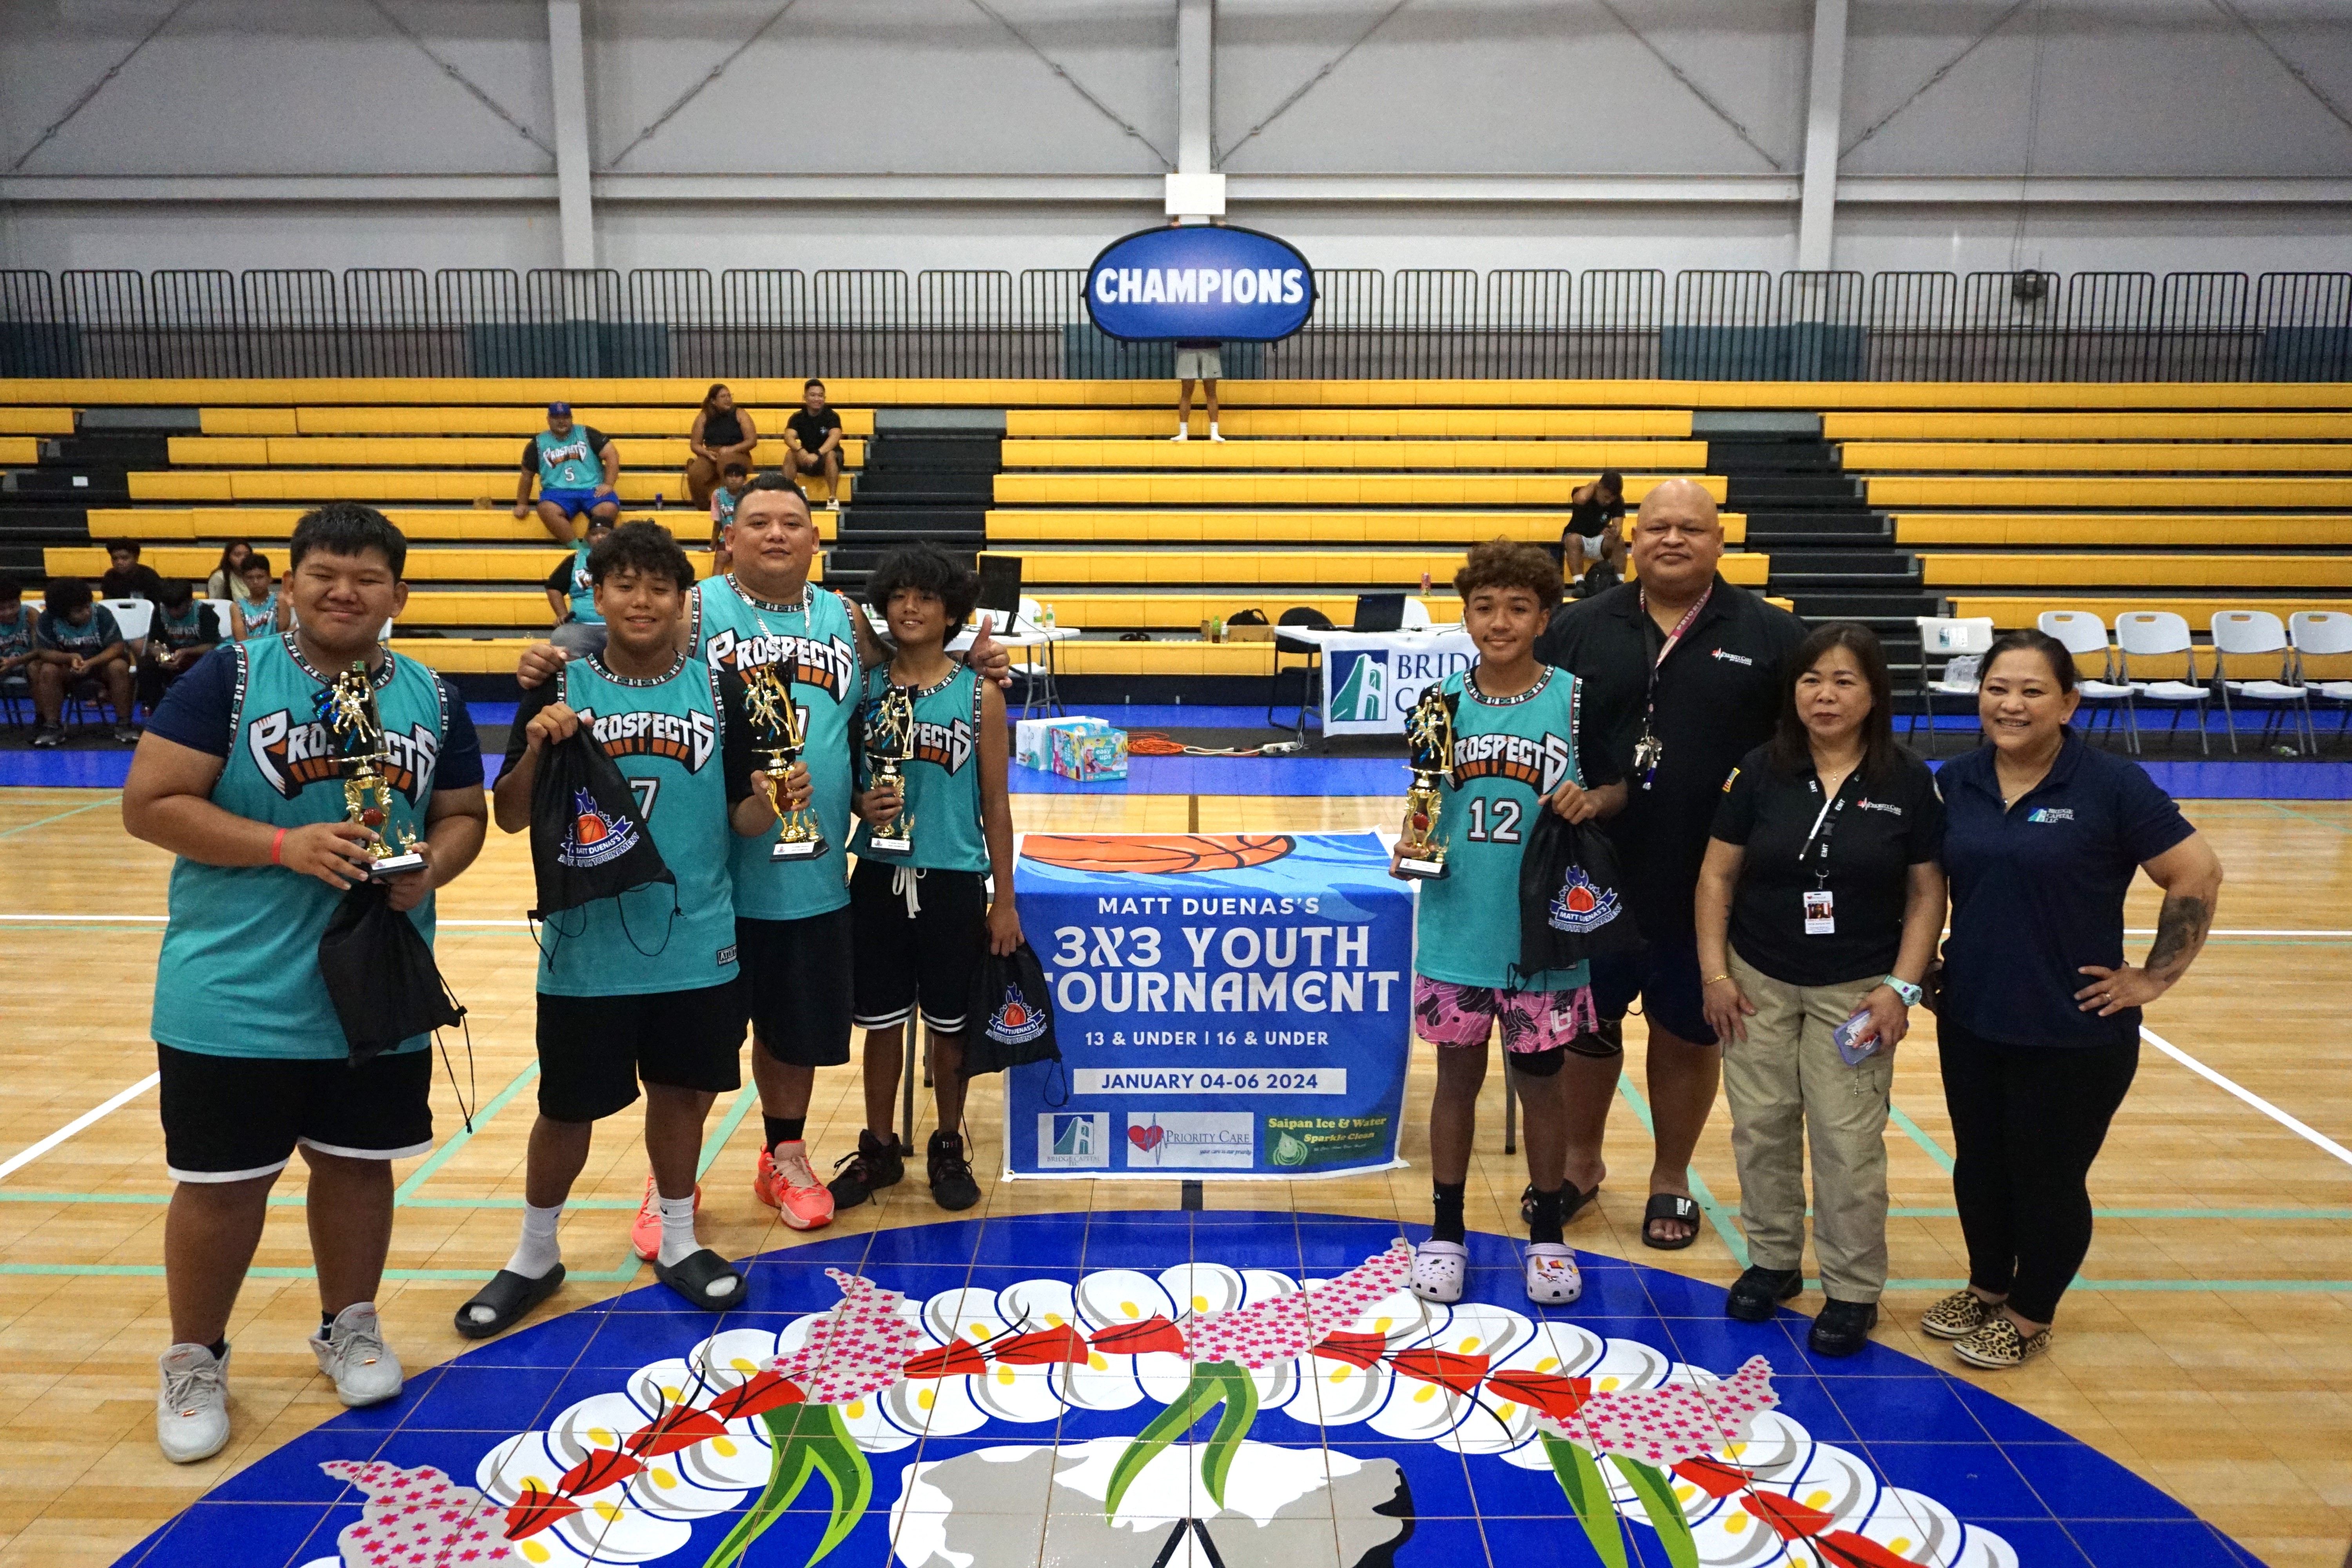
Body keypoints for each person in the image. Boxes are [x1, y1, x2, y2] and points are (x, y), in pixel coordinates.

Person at [507, 484, 1014, 1236]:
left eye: (792, 523)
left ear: (816, 539)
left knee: (793, 1031)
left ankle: (785, 1153)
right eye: (758, 522)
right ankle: (670, 1183)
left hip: (810, 871)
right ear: (728, 539)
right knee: (693, 1050)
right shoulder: (695, 605)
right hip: (711, 873)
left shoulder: (843, 617)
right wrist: (551, 658)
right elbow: (621, 636)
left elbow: (900, 675)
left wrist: (979, 659)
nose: (776, 534)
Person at [122, 502, 488, 1463]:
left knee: (359, 1166)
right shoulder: (229, 676)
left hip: (375, 985)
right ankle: (194, 1357)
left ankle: (348, 1322)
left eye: (367, 577)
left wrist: (434, 869)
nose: (344, 590)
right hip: (234, 989)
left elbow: (462, 815)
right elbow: (149, 803)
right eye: (324, 571)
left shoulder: (433, 696)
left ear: (398, 595)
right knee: (222, 1185)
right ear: (287, 584)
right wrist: (285, 844)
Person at [457, 521, 780, 1337]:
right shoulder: (561, 682)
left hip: (695, 935)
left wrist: (776, 800)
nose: (642, 600)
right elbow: (510, 813)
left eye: (660, 587)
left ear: (683, 602)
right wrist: (533, 744)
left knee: (683, 1094)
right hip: (586, 945)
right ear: (595, 596)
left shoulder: (723, 688)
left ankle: (677, 1238)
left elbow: (743, 817)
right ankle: (535, 1252)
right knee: (565, 1108)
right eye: (625, 585)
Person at [1925, 628, 2221, 1370]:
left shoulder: (2111, 785)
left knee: (2047, 1176)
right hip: (1970, 1015)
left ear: (2068, 703)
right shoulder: (1955, 780)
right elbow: (1924, 883)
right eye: (1998, 689)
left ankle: (2030, 1313)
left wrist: (2152, 979)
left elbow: (2197, 875)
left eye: (2032, 691)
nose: (2011, 705)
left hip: (2074, 1028)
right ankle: (1989, 1285)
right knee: (1980, 1164)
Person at [1532, 478, 1809, 1249]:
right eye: (1657, 526)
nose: (1673, 539)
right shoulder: (1577, 629)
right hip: (1589, 875)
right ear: (1630, 538)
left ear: (1721, 542)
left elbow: (1801, 754)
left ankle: (1670, 1176)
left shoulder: (1772, 635)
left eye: (1692, 527)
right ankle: (1581, 1166)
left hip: (1713, 881)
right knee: (1587, 1027)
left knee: (1688, 1031)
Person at [1695, 622, 1945, 1357]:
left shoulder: (1907, 780)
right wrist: (1716, 973)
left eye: (1844, 681)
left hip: (1858, 993)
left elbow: (1929, 891)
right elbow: (1716, 876)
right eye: (1811, 680)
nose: (1825, 696)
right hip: (1758, 982)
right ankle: (1773, 1261)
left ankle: (1853, 1289)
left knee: (1847, 1142)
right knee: (1762, 1127)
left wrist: (1902, 987)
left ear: (1874, 695)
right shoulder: (1758, 770)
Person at [1403, 539, 1624, 1309]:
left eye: (1518, 607)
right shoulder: (1438, 703)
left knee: (1543, 1088)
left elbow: (1620, 787)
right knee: (1455, 1080)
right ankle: (1446, 1230)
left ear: (1545, 616)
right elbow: (1425, 796)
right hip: (1458, 924)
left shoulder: (1573, 696)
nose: (1499, 621)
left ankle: (1549, 1232)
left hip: (1546, 931)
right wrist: (1414, 839)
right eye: (1485, 606)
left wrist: (1593, 800)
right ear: (1465, 613)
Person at [841, 545, 1021, 1214]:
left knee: (951, 1028)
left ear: (952, 613)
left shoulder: (980, 694)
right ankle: (880, 1148)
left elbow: (996, 805)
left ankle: (949, 1142)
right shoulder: (864, 688)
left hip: (952, 880)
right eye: (899, 596)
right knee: (882, 1025)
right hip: (879, 876)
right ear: (884, 606)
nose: (911, 608)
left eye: (927, 598)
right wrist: (862, 805)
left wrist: (1004, 898)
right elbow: (843, 783)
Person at [31, 578, 136, 746]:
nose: (87, 612)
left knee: (119, 666)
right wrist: (69, 658)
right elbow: (44, 652)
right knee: (48, 670)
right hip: (68, 668)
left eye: (88, 606)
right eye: (79, 611)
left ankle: (124, 723)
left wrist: (91, 663)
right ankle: (53, 727)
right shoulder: (48, 619)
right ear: (63, 613)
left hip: (100, 665)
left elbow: (117, 647)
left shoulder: (100, 613)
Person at [514, 403, 622, 546]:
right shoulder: (538, 443)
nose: (561, 421)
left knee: (609, 508)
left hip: (592, 489)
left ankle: (587, 548)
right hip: (556, 492)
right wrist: (522, 503)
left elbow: (612, 454)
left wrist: (608, 484)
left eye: (566, 417)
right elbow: (527, 475)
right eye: (556, 417)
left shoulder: (587, 433)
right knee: (546, 509)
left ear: (571, 418)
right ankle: (576, 548)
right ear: (548, 420)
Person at [138, 580, 223, 714]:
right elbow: (153, 643)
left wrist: (186, 652)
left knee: (212, 661)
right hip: (171, 658)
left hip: (197, 660)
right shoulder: (160, 612)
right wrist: (162, 656)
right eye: (169, 608)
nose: (173, 612)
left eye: (178, 607)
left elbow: (212, 645)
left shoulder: (204, 612)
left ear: (190, 601)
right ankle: (160, 711)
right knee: (146, 665)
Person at [542, 512, 614, 659]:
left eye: (605, 533)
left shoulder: (626, 559)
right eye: (594, 534)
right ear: (587, 538)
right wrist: (562, 614)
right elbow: (554, 587)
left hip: (619, 629)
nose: (600, 537)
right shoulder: (576, 559)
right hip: (581, 628)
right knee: (562, 637)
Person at [686, 383, 759, 509]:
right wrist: (707, 453)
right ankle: (705, 510)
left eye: (729, 396)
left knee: (726, 464)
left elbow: (752, 441)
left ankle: (734, 508)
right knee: (695, 474)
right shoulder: (704, 416)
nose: (728, 399)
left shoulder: (740, 414)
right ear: (713, 401)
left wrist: (731, 450)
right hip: (711, 454)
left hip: (738, 452)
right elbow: (695, 444)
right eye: (723, 396)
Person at [1562, 472, 1626, 598]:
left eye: (1612, 499)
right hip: (1579, 538)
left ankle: (1619, 583)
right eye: (1606, 497)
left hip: (1600, 540)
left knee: (1619, 540)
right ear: (1599, 487)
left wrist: (1613, 532)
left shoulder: (1617, 500)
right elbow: (1580, 500)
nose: (1608, 502)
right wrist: (1593, 485)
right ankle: (1580, 583)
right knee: (1572, 540)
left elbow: (1619, 527)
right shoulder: (1582, 492)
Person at [785, 381, 844, 510]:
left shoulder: (832, 416)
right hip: (806, 456)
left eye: (821, 396)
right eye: (813, 395)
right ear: (805, 397)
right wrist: (800, 450)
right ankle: (786, 496)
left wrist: (818, 453)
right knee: (790, 454)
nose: (817, 399)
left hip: (826, 458)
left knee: (831, 454)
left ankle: (833, 498)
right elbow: (789, 437)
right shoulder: (797, 417)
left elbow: (835, 436)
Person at [1171, 339, 1223, 442]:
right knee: (1186, 392)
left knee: (1211, 392)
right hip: (1186, 346)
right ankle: (1183, 433)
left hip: (1211, 346)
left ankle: (1214, 433)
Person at [0, 579, 38, 709]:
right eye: (2, 609)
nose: (8, 612)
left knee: (37, 667)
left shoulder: (31, 615)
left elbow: (40, 651)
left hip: (28, 661)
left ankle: (42, 716)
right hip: (3, 665)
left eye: (13, 606)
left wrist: (14, 662)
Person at [232, 554, 287, 642]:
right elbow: (241, 640)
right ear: (243, 580)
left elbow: (282, 636)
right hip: (248, 652)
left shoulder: (280, 599)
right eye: (250, 578)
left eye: (260, 577)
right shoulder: (237, 607)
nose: (255, 582)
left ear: (270, 578)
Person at [100, 539, 168, 604]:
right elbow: (107, 604)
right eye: (115, 558)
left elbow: (157, 606)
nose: (119, 562)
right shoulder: (110, 576)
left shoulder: (149, 576)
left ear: (136, 558)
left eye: (125, 558)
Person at [206, 539, 258, 606]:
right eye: (237, 555)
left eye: (247, 555)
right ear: (229, 558)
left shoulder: (257, 576)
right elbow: (216, 607)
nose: (243, 558)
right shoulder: (220, 578)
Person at [710, 461, 750, 539]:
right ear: (724, 479)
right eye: (730, 476)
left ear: (745, 479)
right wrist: (711, 547)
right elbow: (718, 523)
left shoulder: (750, 494)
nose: (734, 479)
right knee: (721, 553)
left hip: (746, 538)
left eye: (738, 476)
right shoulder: (718, 494)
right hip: (726, 538)